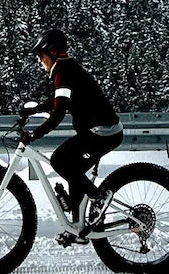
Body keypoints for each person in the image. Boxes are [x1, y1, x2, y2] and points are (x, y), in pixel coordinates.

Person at [22, 28, 124, 233]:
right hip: (101, 130)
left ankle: (99, 197)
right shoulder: (67, 70)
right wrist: (37, 108)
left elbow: (59, 113)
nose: (40, 62)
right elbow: (60, 101)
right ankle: (78, 227)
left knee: (60, 161)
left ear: (52, 52)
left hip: (103, 133)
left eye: (41, 56)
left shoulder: (63, 72)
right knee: (72, 168)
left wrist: (36, 134)